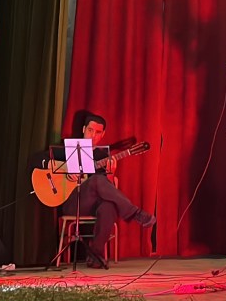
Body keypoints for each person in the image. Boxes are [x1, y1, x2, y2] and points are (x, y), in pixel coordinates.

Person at [58, 112, 156, 269]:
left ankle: (95, 255)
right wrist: (66, 171)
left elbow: (106, 188)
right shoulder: (67, 148)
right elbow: (40, 160)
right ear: (83, 129)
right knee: (96, 180)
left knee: (109, 206)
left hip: (89, 205)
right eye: (90, 130)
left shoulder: (102, 154)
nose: (93, 136)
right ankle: (135, 213)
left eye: (98, 132)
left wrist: (111, 173)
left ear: (103, 134)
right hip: (70, 202)